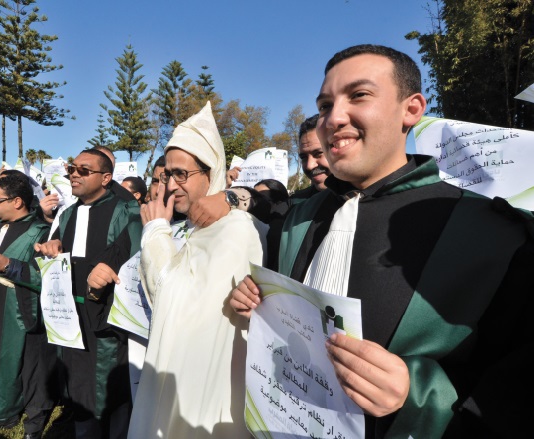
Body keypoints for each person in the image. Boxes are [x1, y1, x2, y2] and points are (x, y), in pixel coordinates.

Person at [230, 44, 534, 438]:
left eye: (358, 95)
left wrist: (416, 392)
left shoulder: (493, 233)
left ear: (411, 109)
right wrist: (257, 300)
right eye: (324, 106)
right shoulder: (298, 219)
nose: (333, 118)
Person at [129, 101, 268, 438]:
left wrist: (155, 233)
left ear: (212, 173)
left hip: (207, 390)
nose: (172, 185)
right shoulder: (198, 226)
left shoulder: (235, 229)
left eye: (182, 174)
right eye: (166, 174)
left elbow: (176, 306)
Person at [34, 148, 141, 439]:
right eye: (72, 168)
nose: (74, 174)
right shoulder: (67, 214)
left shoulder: (127, 210)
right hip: (72, 316)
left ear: (106, 178)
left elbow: (133, 254)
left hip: (107, 316)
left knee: (112, 389)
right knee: (80, 386)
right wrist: (50, 249)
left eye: (84, 170)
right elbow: (54, 250)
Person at [0, 175, 57, 439]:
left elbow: (47, 275)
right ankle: (3, 414)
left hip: (22, 309)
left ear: (17, 202)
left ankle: (35, 422)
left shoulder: (41, 231)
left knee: (30, 367)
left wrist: (8, 266)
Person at [289, 114, 331, 202]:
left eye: (318, 153)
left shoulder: (364, 200)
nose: (309, 166)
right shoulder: (296, 205)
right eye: (304, 157)